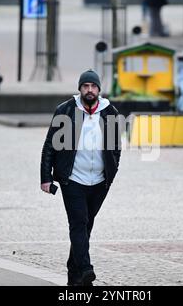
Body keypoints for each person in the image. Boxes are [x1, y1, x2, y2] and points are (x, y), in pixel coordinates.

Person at [40, 69, 122, 286]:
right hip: (73, 180)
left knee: (86, 226)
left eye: (93, 86)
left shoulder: (110, 112)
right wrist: (45, 177)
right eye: (85, 86)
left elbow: (116, 148)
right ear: (80, 89)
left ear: (98, 90)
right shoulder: (66, 110)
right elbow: (50, 146)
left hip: (99, 182)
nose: (89, 90)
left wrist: (111, 173)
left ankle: (73, 276)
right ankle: (85, 270)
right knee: (78, 223)